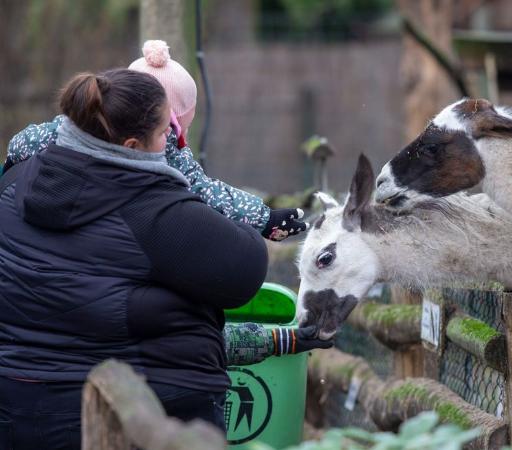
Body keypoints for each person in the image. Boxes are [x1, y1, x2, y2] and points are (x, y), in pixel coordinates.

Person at [0, 69, 317, 450]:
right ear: (133, 145)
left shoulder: (14, 183)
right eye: (167, 132)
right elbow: (246, 266)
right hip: (137, 411)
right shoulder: (152, 211)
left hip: (15, 406)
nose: (175, 144)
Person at [4, 40, 307, 242]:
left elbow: (23, 143)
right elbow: (206, 193)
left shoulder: (71, 126)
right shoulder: (163, 148)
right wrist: (264, 218)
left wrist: (11, 169)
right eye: (173, 128)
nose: (172, 136)